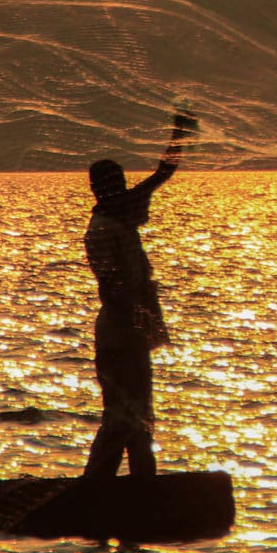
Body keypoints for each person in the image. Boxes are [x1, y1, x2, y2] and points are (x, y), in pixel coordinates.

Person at [83, 110, 194, 478]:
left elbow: (162, 174)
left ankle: (142, 487)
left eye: (121, 183)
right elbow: (111, 288)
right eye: (112, 185)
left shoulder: (120, 215)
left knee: (140, 418)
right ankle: (94, 489)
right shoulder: (102, 228)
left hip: (131, 332)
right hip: (120, 335)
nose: (121, 190)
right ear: (100, 190)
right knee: (122, 418)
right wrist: (138, 317)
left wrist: (179, 133)